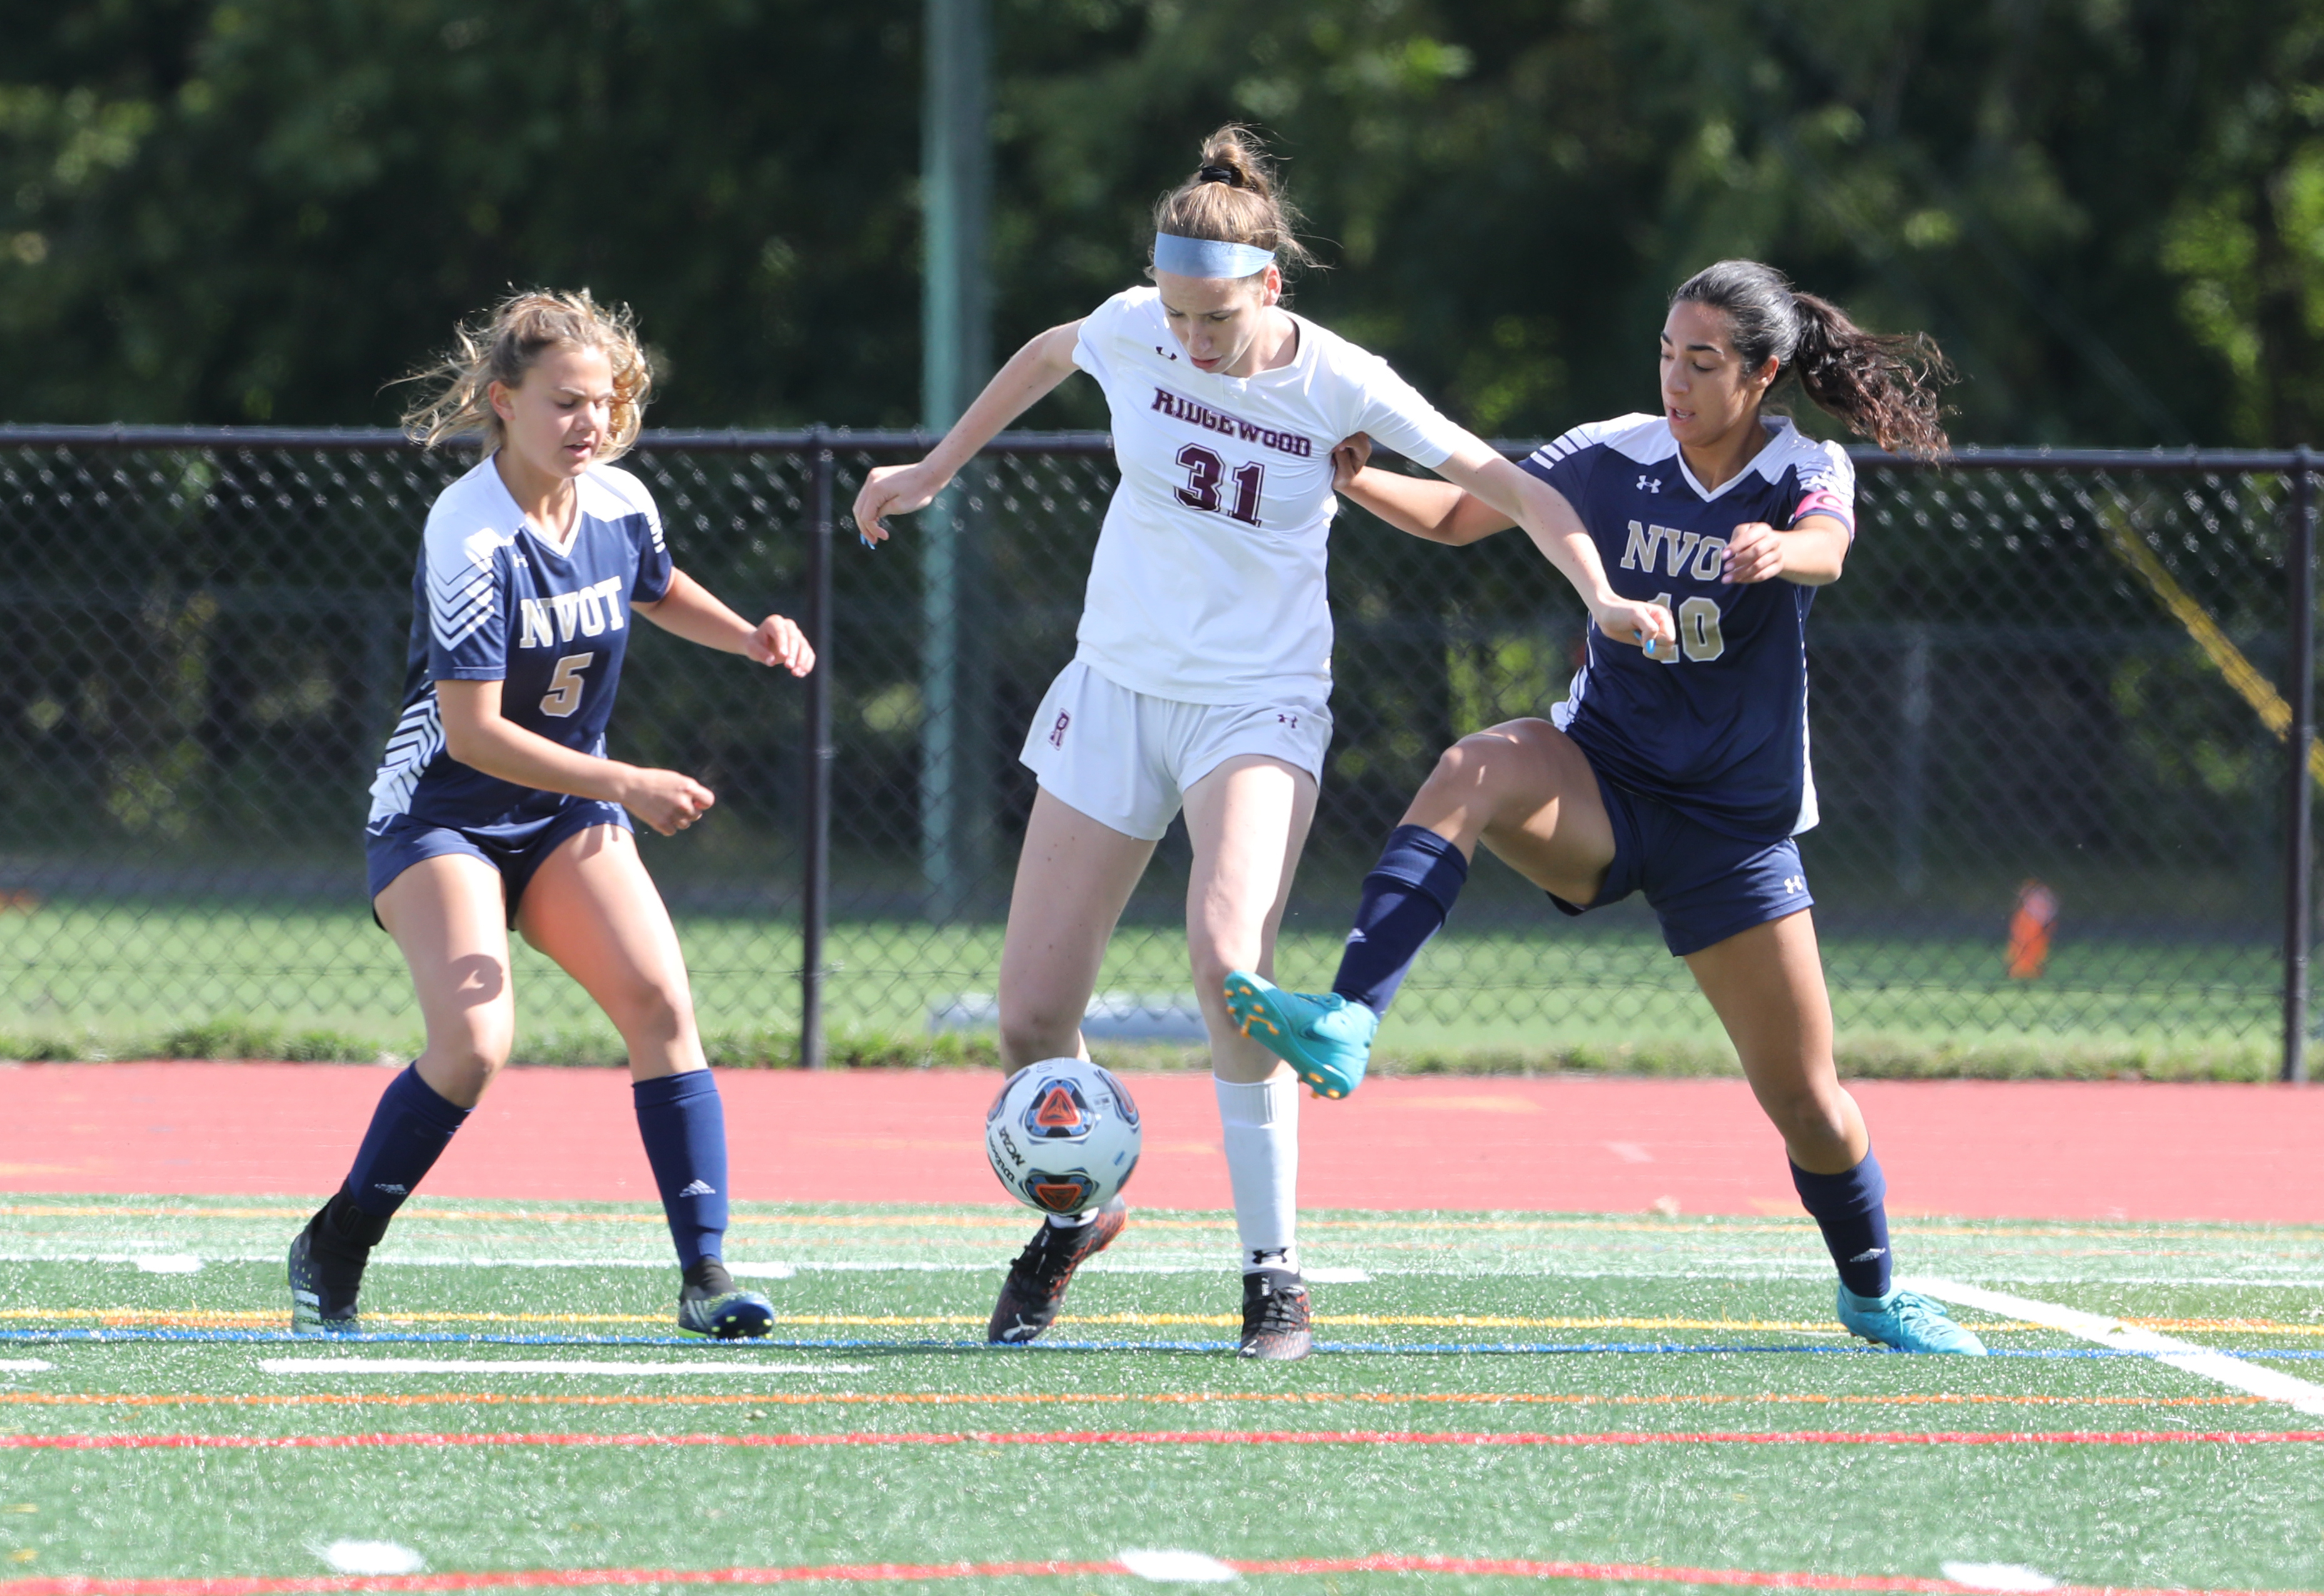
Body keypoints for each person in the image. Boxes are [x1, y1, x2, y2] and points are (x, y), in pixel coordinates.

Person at [853, 128, 1671, 1360]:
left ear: (1268, 290)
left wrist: (1600, 593)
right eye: (1175, 312)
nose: (1187, 337)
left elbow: (1514, 487)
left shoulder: (1338, 379)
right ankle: (1081, 1211)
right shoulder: (1137, 324)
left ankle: (1271, 1269)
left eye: (1213, 318)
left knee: (1228, 964)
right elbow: (1042, 354)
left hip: (1256, 703)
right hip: (1118, 685)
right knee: (1029, 1013)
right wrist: (930, 467)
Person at [1223, 259, 1988, 1355]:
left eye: (1704, 361)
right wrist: (1358, 481)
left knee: (1808, 1102)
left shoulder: (1798, 469)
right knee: (1472, 765)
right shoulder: (1614, 452)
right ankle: (1350, 1014)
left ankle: (1871, 1294)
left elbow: (1828, 544)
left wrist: (1785, 551)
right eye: (1668, 354)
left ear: (1763, 373)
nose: (1676, 379)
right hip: (1602, 782)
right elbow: (1456, 515)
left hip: (1729, 834)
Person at [287, 289, 816, 1339]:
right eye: (567, 403)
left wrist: (747, 633)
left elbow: (655, 588)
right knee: (477, 1042)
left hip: (561, 810)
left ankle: (705, 1276)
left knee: (662, 1006)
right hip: (442, 812)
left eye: (607, 404)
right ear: (503, 402)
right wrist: (626, 783)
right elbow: (475, 732)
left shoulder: (618, 501)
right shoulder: (470, 531)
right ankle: (336, 1240)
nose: (592, 423)